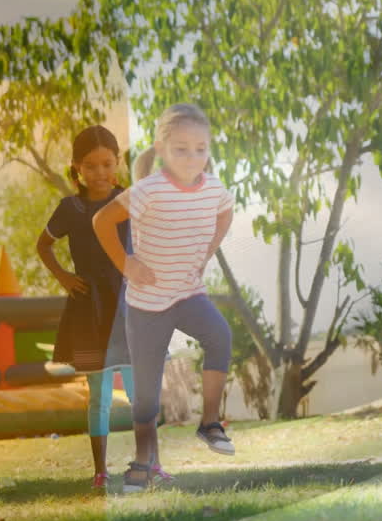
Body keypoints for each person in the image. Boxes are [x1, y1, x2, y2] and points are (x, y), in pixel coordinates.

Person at [93, 103, 235, 494]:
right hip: (146, 305)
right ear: (162, 147)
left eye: (201, 149)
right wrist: (127, 264)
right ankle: (142, 463)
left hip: (187, 293)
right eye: (181, 149)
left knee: (220, 335)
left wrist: (208, 250)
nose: (193, 158)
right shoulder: (149, 190)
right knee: (147, 391)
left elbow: (225, 213)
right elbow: (101, 222)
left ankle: (210, 423)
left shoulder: (214, 188)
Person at [36, 124, 171, 489]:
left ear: (118, 164)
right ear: (76, 168)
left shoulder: (130, 200)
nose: (100, 173)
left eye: (107, 164)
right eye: (91, 166)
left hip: (129, 307)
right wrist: (63, 277)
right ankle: (100, 472)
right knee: (98, 398)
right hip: (88, 309)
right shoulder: (70, 208)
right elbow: (43, 246)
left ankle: (151, 464)